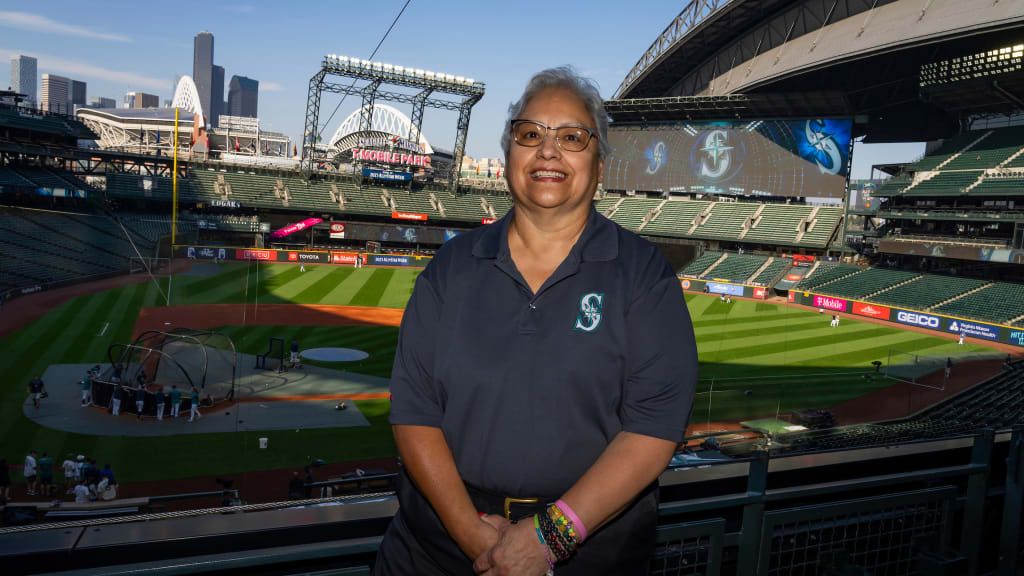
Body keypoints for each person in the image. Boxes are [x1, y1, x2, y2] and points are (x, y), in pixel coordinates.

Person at [374, 67, 698, 576]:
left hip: (593, 553)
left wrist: (549, 538)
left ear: (600, 161)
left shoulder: (643, 274)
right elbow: (414, 411)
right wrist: (470, 532)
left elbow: (654, 427)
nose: (549, 151)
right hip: (435, 550)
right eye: (530, 135)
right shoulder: (451, 269)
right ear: (508, 155)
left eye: (572, 137)